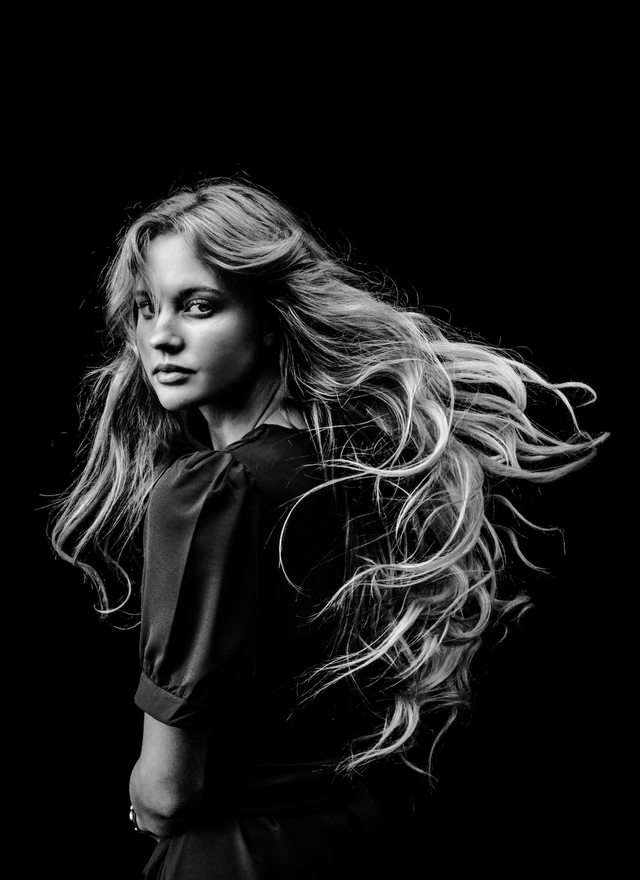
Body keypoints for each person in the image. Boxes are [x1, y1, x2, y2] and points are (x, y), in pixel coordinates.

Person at [50, 179, 606, 879]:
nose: (160, 336)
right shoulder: (362, 470)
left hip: (234, 858)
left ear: (272, 318)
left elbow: (165, 795)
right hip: (350, 835)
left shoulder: (212, 488)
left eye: (198, 307)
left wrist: (141, 806)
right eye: (143, 309)